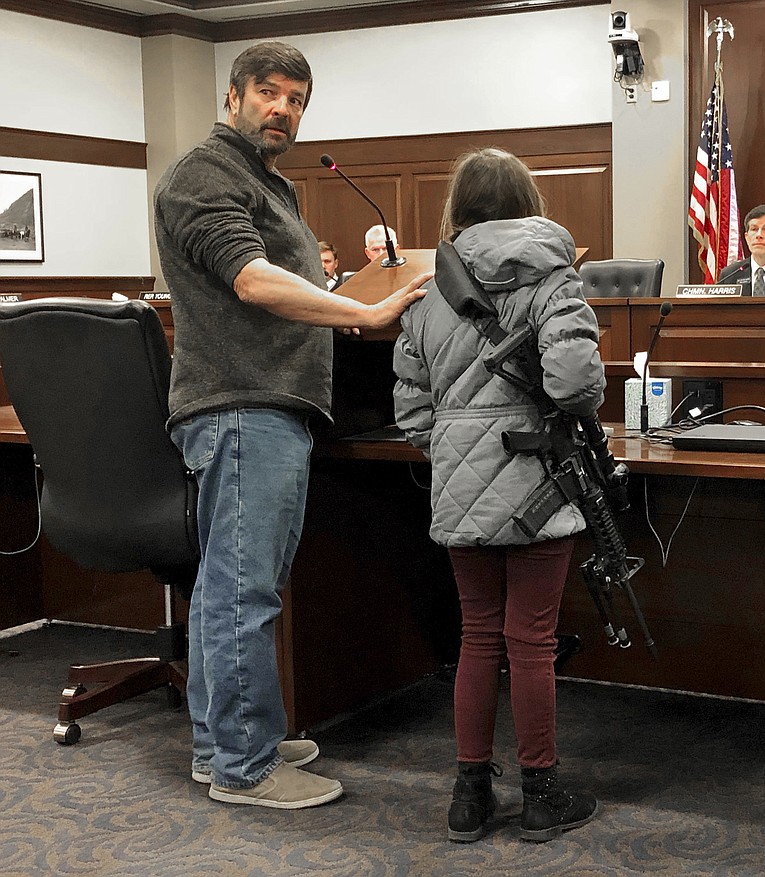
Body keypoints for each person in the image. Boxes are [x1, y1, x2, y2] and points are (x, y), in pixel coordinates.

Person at [153, 41, 429, 810]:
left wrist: (341, 301)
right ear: (232, 96)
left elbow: (285, 279)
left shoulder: (263, 181)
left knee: (227, 588)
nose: (283, 109)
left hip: (264, 402)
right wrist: (366, 309)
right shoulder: (206, 173)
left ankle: (226, 743)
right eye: (269, 93)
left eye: (297, 99)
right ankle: (246, 765)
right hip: (242, 402)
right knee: (245, 591)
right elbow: (251, 277)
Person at [393, 147, 603, 844]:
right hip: (540, 477)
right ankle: (541, 793)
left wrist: (456, 447)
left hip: (459, 489)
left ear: (459, 209)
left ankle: (469, 795)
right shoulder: (554, 280)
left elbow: (412, 411)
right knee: (532, 641)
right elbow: (574, 385)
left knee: (478, 636)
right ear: (529, 203)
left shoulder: (429, 297)